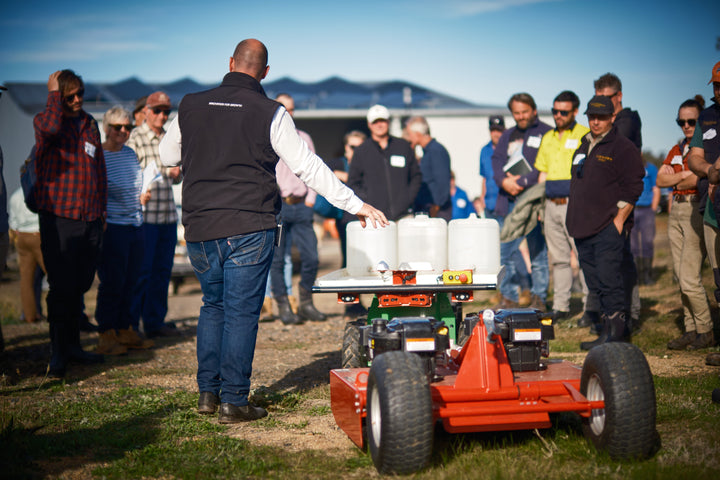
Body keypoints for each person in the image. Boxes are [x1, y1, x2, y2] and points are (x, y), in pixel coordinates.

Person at [159, 39, 387, 423]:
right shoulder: (270, 111)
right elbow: (308, 167)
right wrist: (355, 204)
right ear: (265, 72)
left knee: (212, 306)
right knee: (241, 313)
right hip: (249, 224)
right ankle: (234, 400)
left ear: (230, 63)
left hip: (199, 226)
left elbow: (168, 155)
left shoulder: (191, 104)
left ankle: (208, 395)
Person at [33, 70, 106, 377]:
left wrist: (102, 213)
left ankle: (74, 346)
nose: (77, 100)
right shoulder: (46, 120)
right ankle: (58, 352)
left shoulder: (89, 123)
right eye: (69, 96)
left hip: (90, 217)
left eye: (80, 94)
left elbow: (99, 168)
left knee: (80, 284)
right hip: (59, 217)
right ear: (58, 97)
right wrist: (53, 95)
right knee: (60, 287)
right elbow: (49, 129)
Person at [566, 95, 644, 350]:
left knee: (611, 282)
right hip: (582, 228)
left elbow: (634, 186)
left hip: (607, 227)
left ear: (612, 117)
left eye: (601, 117)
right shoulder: (583, 144)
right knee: (595, 283)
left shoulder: (622, 147)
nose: (596, 121)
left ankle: (618, 337)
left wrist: (619, 220)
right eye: (592, 116)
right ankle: (605, 332)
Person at [95, 106, 154, 355]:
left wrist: (143, 194)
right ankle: (107, 333)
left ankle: (126, 328)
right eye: (117, 127)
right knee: (113, 281)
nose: (123, 131)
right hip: (113, 227)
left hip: (135, 224)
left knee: (133, 279)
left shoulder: (130, 154)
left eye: (127, 127)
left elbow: (135, 186)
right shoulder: (98, 155)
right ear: (106, 128)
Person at [658, 96, 713, 351]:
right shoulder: (677, 149)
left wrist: (677, 178)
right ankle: (691, 329)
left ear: (700, 120)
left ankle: (706, 329)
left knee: (690, 276)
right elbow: (660, 179)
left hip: (694, 209)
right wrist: (685, 176)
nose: (687, 126)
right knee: (681, 275)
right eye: (682, 121)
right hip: (676, 209)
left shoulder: (706, 149)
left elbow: (696, 180)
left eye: (692, 121)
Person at [126, 91, 182, 338]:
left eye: (166, 112)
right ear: (146, 111)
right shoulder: (135, 137)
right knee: (142, 272)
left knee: (162, 272)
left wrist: (178, 173)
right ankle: (131, 325)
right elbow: (127, 173)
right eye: (157, 111)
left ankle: (155, 322)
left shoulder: (170, 137)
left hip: (168, 216)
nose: (162, 116)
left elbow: (178, 175)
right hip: (145, 218)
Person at [269, 93, 326, 325]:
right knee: (277, 260)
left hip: (302, 205)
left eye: (291, 109)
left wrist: (311, 197)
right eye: (284, 108)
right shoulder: (268, 138)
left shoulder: (304, 137)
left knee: (311, 256)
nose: (288, 113)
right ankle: (283, 305)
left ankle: (306, 303)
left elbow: (314, 167)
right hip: (279, 205)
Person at [491, 93, 552, 310]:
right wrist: (504, 181)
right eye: (516, 113)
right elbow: (497, 160)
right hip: (508, 200)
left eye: (524, 112)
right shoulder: (508, 134)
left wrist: (524, 181)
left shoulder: (546, 133)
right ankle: (508, 297)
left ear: (533, 110)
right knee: (504, 251)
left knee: (537, 253)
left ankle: (539, 297)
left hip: (533, 200)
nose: (521, 116)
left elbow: (545, 165)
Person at [534, 90, 590, 320]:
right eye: (555, 111)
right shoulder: (547, 137)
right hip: (550, 205)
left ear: (575, 111)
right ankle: (561, 306)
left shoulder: (584, 135)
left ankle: (590, 307)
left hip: (575, 204)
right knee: (558, 259)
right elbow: (542, 174)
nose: (558, 115)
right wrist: (539, 206)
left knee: (583, 256)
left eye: (563, 112)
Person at [594, 72, 643, 328]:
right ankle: (614, 314)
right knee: (610, 259)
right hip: (604, 205)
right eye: (597, 99)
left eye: (606, 99)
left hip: (622, 204)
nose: (601, 105)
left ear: (619, 96)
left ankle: (630, 314)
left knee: (621, 258)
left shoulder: (628, 121)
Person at [480, 115, 532, 306]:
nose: (496, 133)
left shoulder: (511, 149)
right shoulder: (484, 151)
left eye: (499, 130)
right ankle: (506, 291)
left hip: (508, 204)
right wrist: (482, 201)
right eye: (493, 129)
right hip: (491, 206)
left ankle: (523, 287)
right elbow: (485, 178)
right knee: (499, 251)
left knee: (511, 249)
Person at [687, 60, 720, 355]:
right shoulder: (707, 117)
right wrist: (711, 170)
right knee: (718, 279)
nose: (719, 91)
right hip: (713, 209)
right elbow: (693, 158)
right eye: (717, 86)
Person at [347, 104, 422, 222]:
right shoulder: (361, 151)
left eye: (382, 120)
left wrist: (407, 199)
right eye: (375, 122)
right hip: (375, 217)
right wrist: (369, 201)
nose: (379, 125)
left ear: (388, 122)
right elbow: (353, 182)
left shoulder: (403, 146)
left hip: (404, 216)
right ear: (369, 124)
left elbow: (416, 176)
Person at [8, 186, 46, 323]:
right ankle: (60, 313)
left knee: (26, 279)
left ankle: (29, 315)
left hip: (22, 236)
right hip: (39, 234)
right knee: (54, 276)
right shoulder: (40, 191)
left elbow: (12, 220)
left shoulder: (15, 195)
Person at [405, 116, 453, 221]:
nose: (409, 138)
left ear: (418, 134)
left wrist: (436, 208)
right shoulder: (427, 153)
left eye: (410, 134)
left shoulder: (436, 151)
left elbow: (442, 182)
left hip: (437, 212)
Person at [632, 159, 660, 285]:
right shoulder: (628, 166)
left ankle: (647, 275)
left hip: (647, 210)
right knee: (633, 246)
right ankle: (636, 276)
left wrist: (653, 209)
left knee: (647, 242)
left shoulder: (651, 168)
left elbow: (656, 189)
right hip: (631, 210)